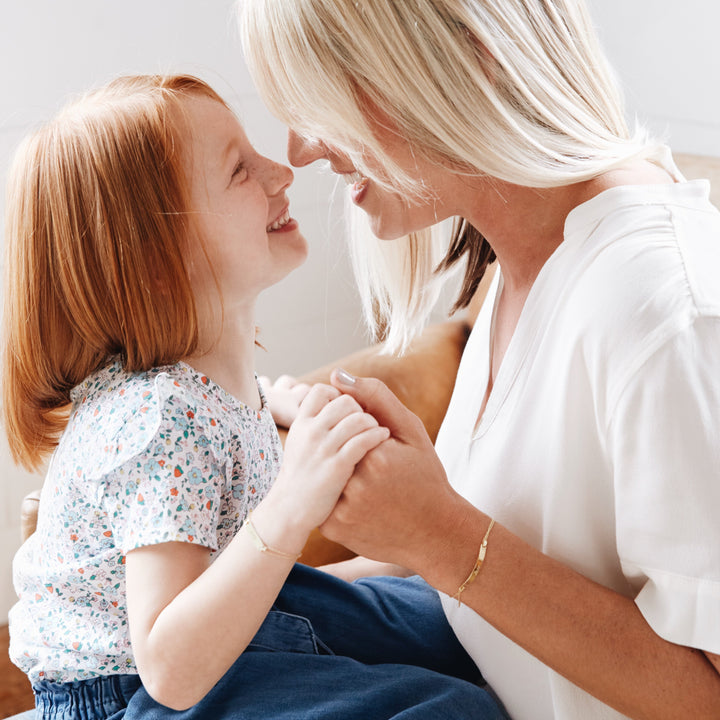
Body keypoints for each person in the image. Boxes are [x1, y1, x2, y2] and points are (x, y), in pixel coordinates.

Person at [239, 1, 720, 718]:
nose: (302, 149)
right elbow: (514, 571)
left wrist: (438, 535)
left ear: (467, 56)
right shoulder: (530, 258)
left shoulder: (662, 311)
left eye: (321, 96)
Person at [2, 74, 507, 719]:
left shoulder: (195, 387)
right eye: (240, 170)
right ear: (159, 261)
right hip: (139, 692)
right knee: (448, 709)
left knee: (459, 625)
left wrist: (285, 401)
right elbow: (169, 668)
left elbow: (224, 421)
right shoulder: (159, 421)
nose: (282, 172)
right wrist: (295, 501)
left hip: (233, 628)